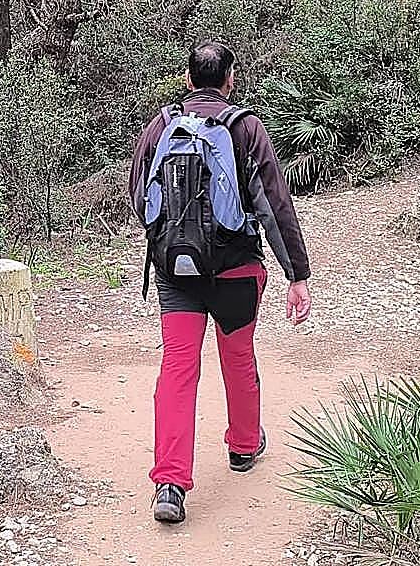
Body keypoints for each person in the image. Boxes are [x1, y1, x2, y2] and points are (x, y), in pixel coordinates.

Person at [129, 41, 312, 524]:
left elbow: (139, 198)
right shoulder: (246, 129)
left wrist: (174, 244)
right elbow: (274, 206)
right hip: (236, 269)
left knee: (178, 369)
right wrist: (298, 275)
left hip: (177, 274)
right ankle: (244, 446)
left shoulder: (160, 128)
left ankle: (170, 483)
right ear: (230, 78)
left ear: (189, 80)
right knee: (237, 358)